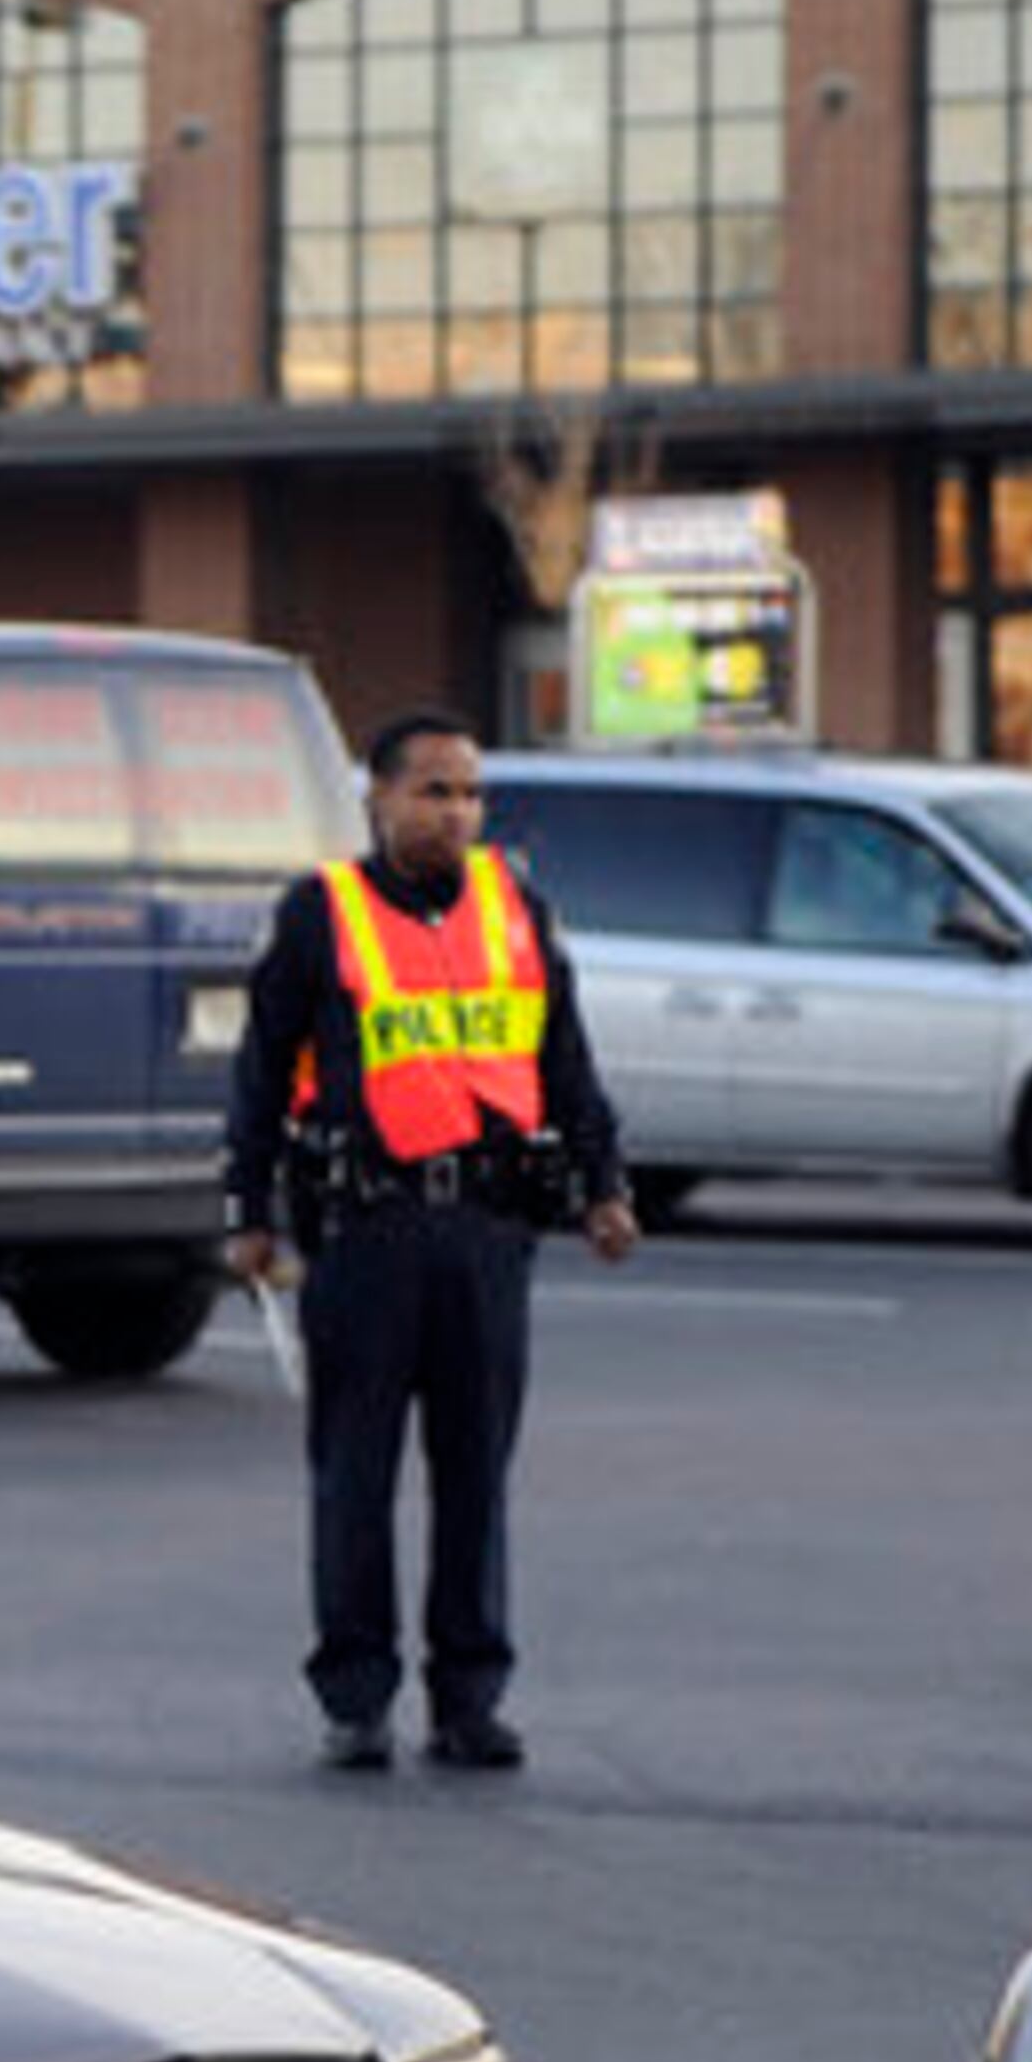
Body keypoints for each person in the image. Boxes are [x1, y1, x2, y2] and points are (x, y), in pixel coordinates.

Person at [223, 708, 641, 1774]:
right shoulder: (325, 913)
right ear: (379, 796)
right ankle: (356, 1695)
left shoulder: (516, 908)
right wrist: (250, 1209)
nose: (455, 812)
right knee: (354, 1475)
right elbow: (262, 1070)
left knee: (476, 1477)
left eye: (469, 794)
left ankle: (469, 1697)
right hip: (367, 1229)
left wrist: (604, 1184)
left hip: (490, 1230)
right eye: (433, 791)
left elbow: (566, 1057)